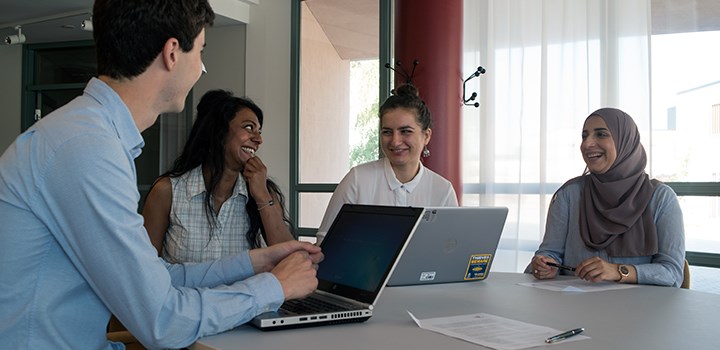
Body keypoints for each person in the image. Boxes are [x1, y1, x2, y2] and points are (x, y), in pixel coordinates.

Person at [0, 1, 322, 349]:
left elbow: (159, 278)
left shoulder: (86, 135)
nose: (201, 68)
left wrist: (255, 262)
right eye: (199, 51)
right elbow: (162, 319)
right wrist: (275, 287)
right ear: (172, 53)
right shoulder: (86, 148)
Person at [527, 108, 685, 287]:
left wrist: (618, 271)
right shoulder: (569, 194)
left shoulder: (661, 198)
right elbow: (550, 253)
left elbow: (672, 273)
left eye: (601, 134)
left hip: (640, 309)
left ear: (625, 141)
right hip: (575, 307)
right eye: (584, 136)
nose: (587, 144)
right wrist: (544, 264)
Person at [143, 90, 294, 263]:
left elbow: (290, 260)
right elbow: (145, 268)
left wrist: (262, 196)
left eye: (259, 131)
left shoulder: (263, 192)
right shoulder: (167, 191)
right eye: (249, 127)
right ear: (219, 132)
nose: (258, 139)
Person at [316, 84, 458, 244]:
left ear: (426, 136)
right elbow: (325, 241)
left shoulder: (442, 190)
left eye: (405, 131)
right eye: (387, 132)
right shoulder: (357, 180)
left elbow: (450, 245)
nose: (395, 141)